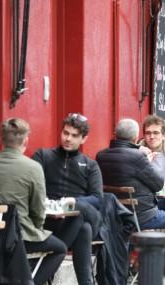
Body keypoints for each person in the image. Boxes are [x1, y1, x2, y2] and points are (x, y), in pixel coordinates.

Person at [96, 118, 165, 279]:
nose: (151, 137)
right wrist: (146, 161)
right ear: (136, 137)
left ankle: (164, 257)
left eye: (155, 133)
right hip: (141, 214)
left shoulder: (101, 155)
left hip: (114, 215)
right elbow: (157, 184)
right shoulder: (138, 156)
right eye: (148, 133)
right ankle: (149, 250)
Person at [32, 113, 103, 285]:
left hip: (74, 217)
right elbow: (31, 187)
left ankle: (40, 275)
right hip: (47, 221)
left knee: (79, 214)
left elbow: (97, 198)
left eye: (74, 135)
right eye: (65, 133)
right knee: (83, 228)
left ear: (84, 139)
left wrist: (73, 202)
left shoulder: (90, 165)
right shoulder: (43, 156)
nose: (68, 138)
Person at [0, 118, 67, 285]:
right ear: (26, 140)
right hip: (19, 237)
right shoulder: (32, 168)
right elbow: (38, 210)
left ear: (2, 140)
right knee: (60, 249)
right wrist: (37, 227)